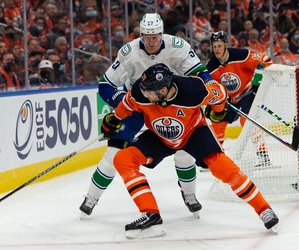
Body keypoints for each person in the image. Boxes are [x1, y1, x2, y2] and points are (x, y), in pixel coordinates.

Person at [100, 63, 279, 239]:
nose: (145, 95)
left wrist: (217, 111)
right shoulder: (141, 91)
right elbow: (127, 103)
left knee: (224, 169)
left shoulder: (194, 89)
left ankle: (264, 209)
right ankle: (150, 213)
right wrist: (115, 119)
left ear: (163, 90)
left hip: (193, 133)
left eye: (149, 92)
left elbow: (220, 93)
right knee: (123, 158)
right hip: (159, 136)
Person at [79, 13, 216, 219]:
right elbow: (105, 85)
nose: (151, 41)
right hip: (138, 108)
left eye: (155, 36)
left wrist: (211, 88)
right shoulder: (129, 52)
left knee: (184, 152)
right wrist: (125, 103)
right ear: (140, 34)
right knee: (113, 155)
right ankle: (91, 198)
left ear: (162, 34)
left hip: (172, 107)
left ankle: (189, 194)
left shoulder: (178, 46)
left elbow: (201, 74)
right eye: (146, 36)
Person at [205, 31, 273, 168]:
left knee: (247, 120)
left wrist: (257, 81)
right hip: (229, 99)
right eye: (214, 46)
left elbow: (266, 61)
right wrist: (214, 101)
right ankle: (217, 158)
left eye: (219, 46)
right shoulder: (211, 66)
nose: (217, 49)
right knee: (217, 121)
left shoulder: (241, 55)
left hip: (247, 93)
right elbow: (210, 86)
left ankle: (263, 156)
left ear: (225, 45)